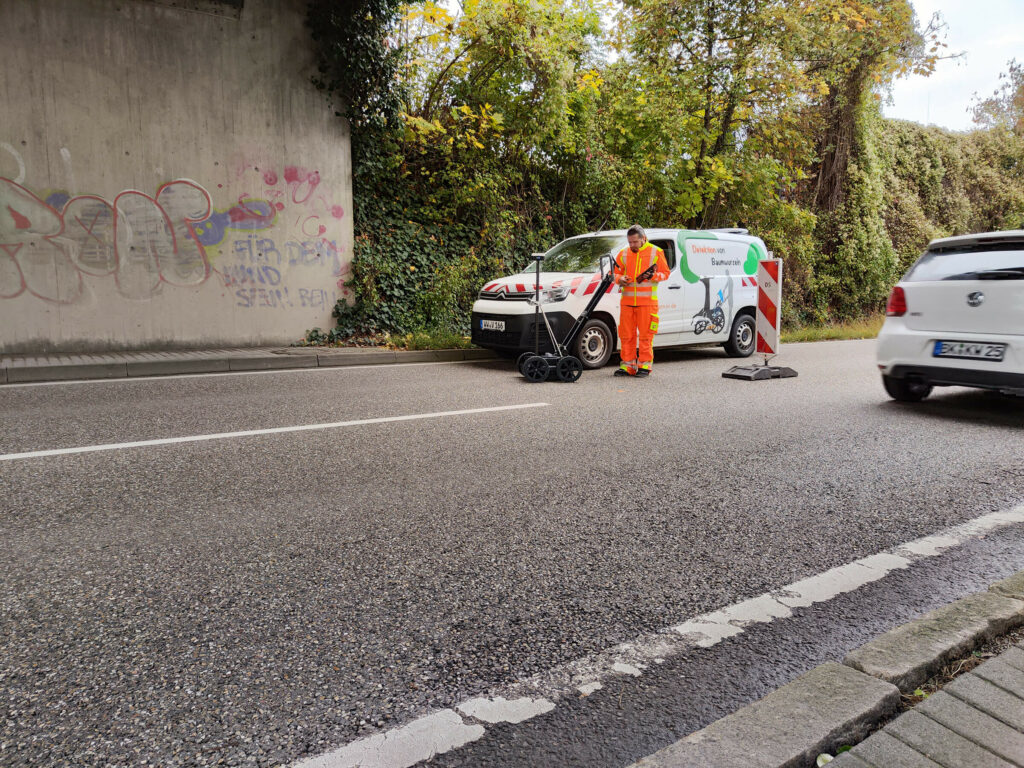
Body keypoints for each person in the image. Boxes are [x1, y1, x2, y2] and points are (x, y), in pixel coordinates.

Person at [613, 225, 670, 377]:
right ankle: (627, 366)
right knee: (626, 336)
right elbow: (615, 273)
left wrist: (652, 276)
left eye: (635, 242)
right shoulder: (623, 253)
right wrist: (620, 279)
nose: (632, 245)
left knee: (646, 336)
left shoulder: (656, 252)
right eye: (630, 242)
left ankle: (645, 366)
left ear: (643, 239)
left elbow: (665, 274)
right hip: (627, 302)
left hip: (647, 303)